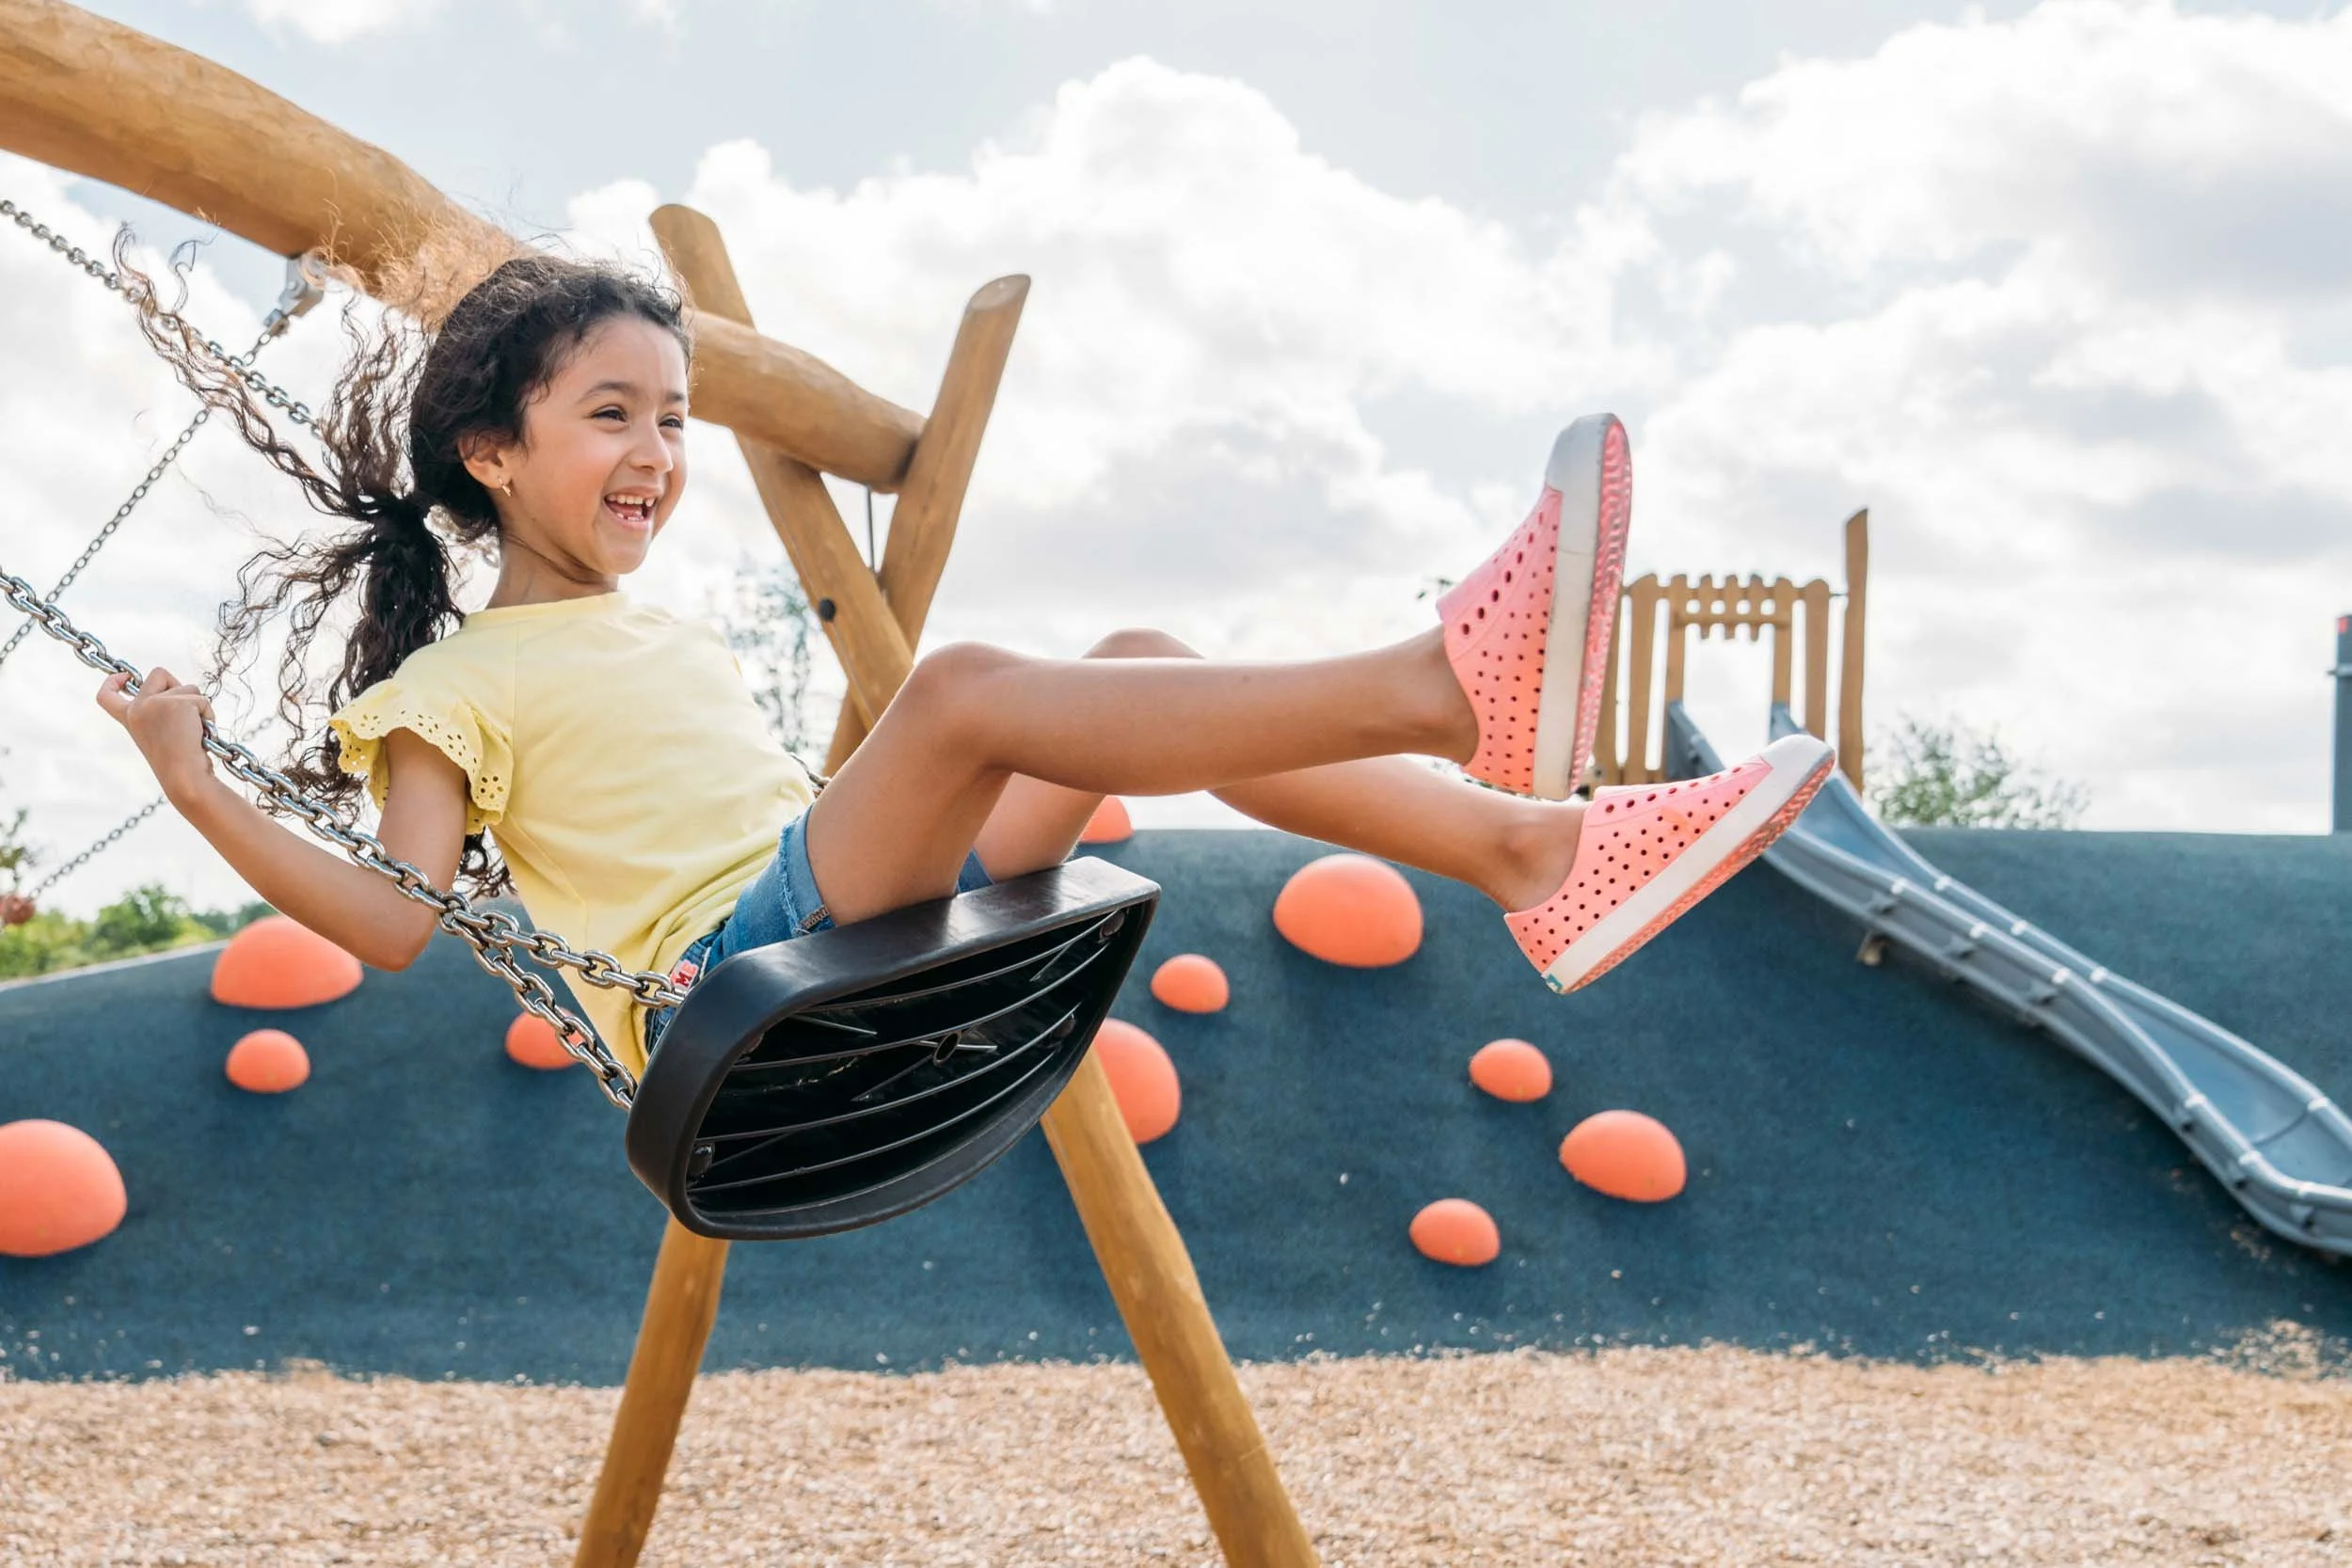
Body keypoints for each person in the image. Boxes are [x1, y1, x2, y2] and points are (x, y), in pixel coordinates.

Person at [95, 246, 1832, 1076]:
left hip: (841, 913)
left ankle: (1529, 851)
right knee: (966, 689)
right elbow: (404, 921)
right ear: (489, 450)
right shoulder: (446, 689)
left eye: (676, 419)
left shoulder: (648, 635)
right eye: (608, 413)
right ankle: (1447, 687)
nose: (656, 452)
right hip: (733, 985)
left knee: (1133, 660)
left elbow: (819, 817)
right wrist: (191, 782)